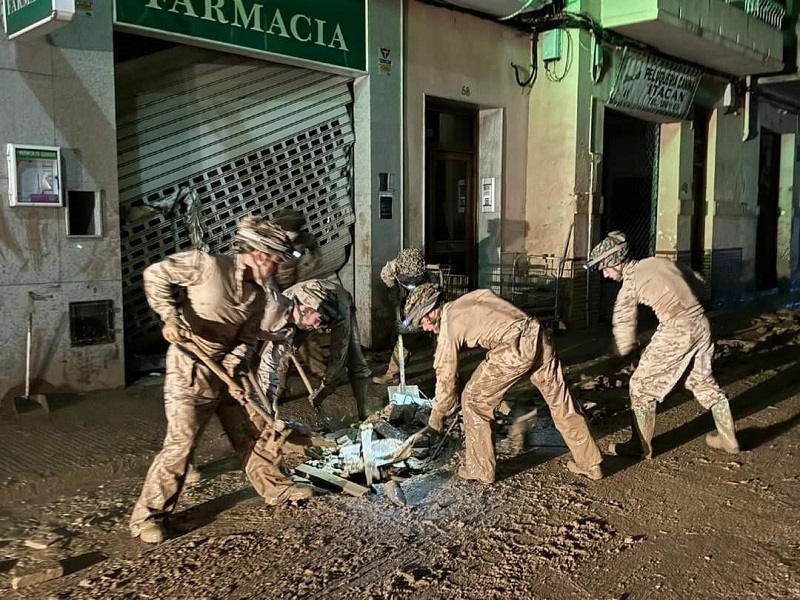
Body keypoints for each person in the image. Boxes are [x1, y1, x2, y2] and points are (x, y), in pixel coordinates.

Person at [129, 215, 310, 545]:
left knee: (253, 433)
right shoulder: (207, 266)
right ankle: (148, 517)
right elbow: (155, 275)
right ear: (258, 255)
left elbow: (249, 339)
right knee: (182, 444)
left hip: (224, 372)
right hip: (190, 369)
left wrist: (234, 369)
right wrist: (169, 315)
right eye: (275, 261)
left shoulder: (258, 297)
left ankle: (278, 490)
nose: (277, 269)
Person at [402, 283, 604, 484]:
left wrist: (436, 418)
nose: (426, 329)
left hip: (515, 346)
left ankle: (480, 469)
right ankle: (590, 463)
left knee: (473, 400)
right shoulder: (472, 298)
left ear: (430, 311)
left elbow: (446, 377)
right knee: (560, 400)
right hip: (539, 334)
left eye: (422, 323)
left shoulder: (448, 325)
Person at [585, 230, 740, 459]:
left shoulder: (630, 283)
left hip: (676, 329)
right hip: (700, 322)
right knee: (700, 380)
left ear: (616, 263)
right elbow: (698, 281)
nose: (606, 275)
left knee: (639, 385)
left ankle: (640, 446)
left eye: (605, 269)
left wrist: (620, 349)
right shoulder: (658, 262)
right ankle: (729, 438)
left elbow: (624, 325)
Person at [280, 279, 374, 419]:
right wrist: (290, 345)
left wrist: (327, 385)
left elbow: (339, 351)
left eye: (320, 320)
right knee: (282, 352)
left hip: (340, 304)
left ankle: (364, 411)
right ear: (304, 309)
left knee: (355, 359)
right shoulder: (282, 302)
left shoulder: (339, 310)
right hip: (299, 313)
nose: (318, 327)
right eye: (316, 322)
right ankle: (275, 395)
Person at [373, 247, 441, 385]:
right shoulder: (394, 266)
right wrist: (392, 288)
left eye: (413, 280)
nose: (410, 283)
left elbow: (420, 319)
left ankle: (443, 376)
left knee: (439, 342)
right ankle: (393, 375)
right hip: (407, 299)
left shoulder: (430, 285)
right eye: (407, 280)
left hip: (428, 314)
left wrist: (408, 328)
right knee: (403, 341)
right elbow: (386, 275)